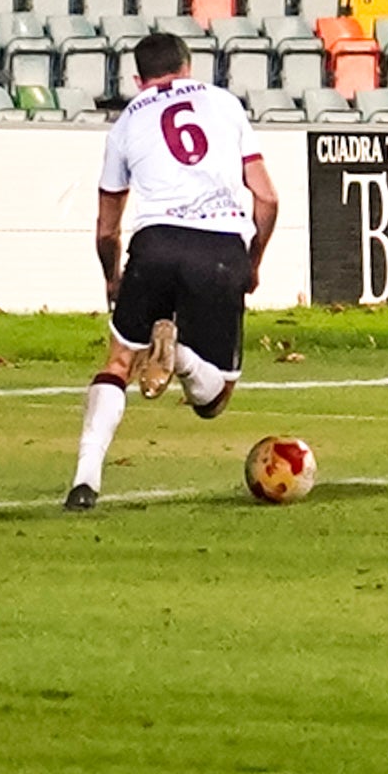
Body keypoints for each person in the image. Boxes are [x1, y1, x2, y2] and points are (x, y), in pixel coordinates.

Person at [67, 30, 279, 509]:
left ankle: (85, 481)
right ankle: (179, 354)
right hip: (221, 248)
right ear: (188, 67)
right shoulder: (225, 105)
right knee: (213, 401)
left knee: (118, 362)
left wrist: (112, 277)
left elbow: (106, 229)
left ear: (138, 79)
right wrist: (253, 262)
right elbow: (266, 197)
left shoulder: (124, 124)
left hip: (155, 243)